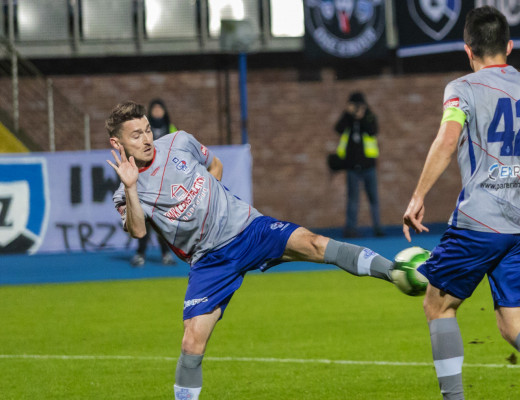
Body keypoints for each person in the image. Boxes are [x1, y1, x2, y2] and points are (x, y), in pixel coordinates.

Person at [104, 101, 409, 400]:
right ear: (117, 143)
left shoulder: (179, 142)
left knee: (314, 243)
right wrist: (131, 187)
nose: (146, 139)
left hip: (248, 229)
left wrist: (212, 203)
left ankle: (395, 271)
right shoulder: (125, 192)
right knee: (191, 340)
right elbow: (138, 230)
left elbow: (215, 165)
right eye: (136, 135)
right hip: (210, 261)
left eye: (147, 130)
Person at [401, 7, 520, 400]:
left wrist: (418, 195)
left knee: (438, 304)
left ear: (468, 50)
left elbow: (447, 140)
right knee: (514, 321)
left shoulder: (461, 88)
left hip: (481, 220)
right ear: (509, 47)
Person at [130, 99, 179, 267]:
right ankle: (140, 253)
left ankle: (166, 254)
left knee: (162, 221)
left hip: (164, 182)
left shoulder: (171, 128)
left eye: (160, 109)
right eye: (155, 109)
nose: (158, 112)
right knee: (144, 219)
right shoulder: (144, 130)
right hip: (146, 180)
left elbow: (176, 150)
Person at [333, 91, 383, 238]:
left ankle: (378, 228)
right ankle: (350, 228)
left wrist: (361, 118)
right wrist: (347, 114)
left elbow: (373, 131)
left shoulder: (369, 115)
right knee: (352, 199)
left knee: (373, 198)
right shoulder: (347, 117)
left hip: (369, 166)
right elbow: (338, 129)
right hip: (352, 167)